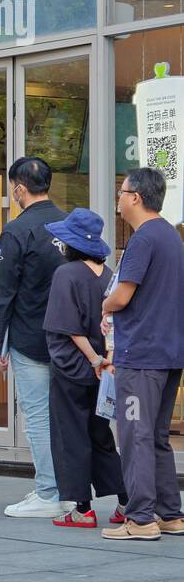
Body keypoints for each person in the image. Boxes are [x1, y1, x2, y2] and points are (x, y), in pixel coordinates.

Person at [100, 168, 184, 541]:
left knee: (134, 435)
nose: (118, 199)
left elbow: (122, 294)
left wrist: (104, 306)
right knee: (157, 436)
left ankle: (140, 519)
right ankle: (170, 514)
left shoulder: (143, 238)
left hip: (141, 355)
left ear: (135, 197)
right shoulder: (170, 235)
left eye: (121, 192)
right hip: (169, 353)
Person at [0, 157, 68, 518]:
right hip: (72, 340)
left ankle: (48, 491)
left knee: (37, 416)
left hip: (31, 337)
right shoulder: (71, 224)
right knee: (65, 415)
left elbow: (3, 292)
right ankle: (69, 490)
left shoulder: (18, 231)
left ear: (19, 188)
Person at [41, 209, 127, 528]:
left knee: (70, 436)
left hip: (74, 366)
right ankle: (126, 502)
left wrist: (91, 358)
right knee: (100, 434)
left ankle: (82, 508)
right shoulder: (107, 274)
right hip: (102, 369)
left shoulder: (67, 274)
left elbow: (69, 328)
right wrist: (102, 361)